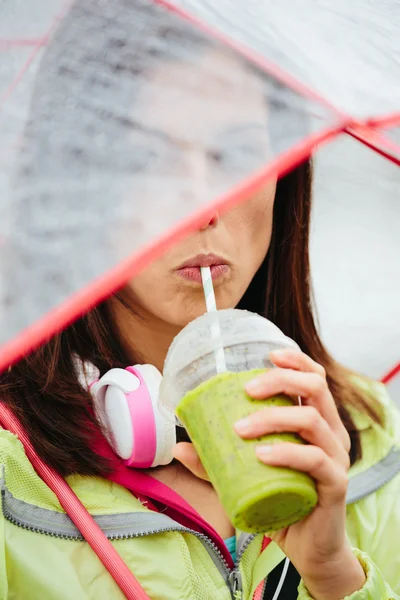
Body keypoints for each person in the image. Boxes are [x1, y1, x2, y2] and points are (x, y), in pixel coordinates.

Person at [1, 0, 400, 599]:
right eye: (147, 161)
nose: (201, 205)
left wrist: (336, 575)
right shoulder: (13, 469)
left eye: (234, 156)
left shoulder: (364, 431)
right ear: (75, 184)